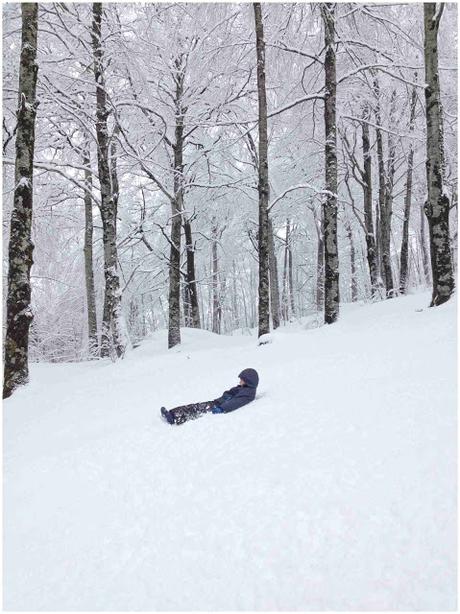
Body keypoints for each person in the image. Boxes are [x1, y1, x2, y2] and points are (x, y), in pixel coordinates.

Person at [161, 368, 259, 426]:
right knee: (195, 406)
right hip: (217, 402)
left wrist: (221, 408)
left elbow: (236, 403)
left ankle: (174, 418)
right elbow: (230, 393)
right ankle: (172, 413)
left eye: (242, 380)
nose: (239, 381)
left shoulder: (247, 393)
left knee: (196, 411)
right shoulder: (243, 388)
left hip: (218, 406)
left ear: (248, 381)